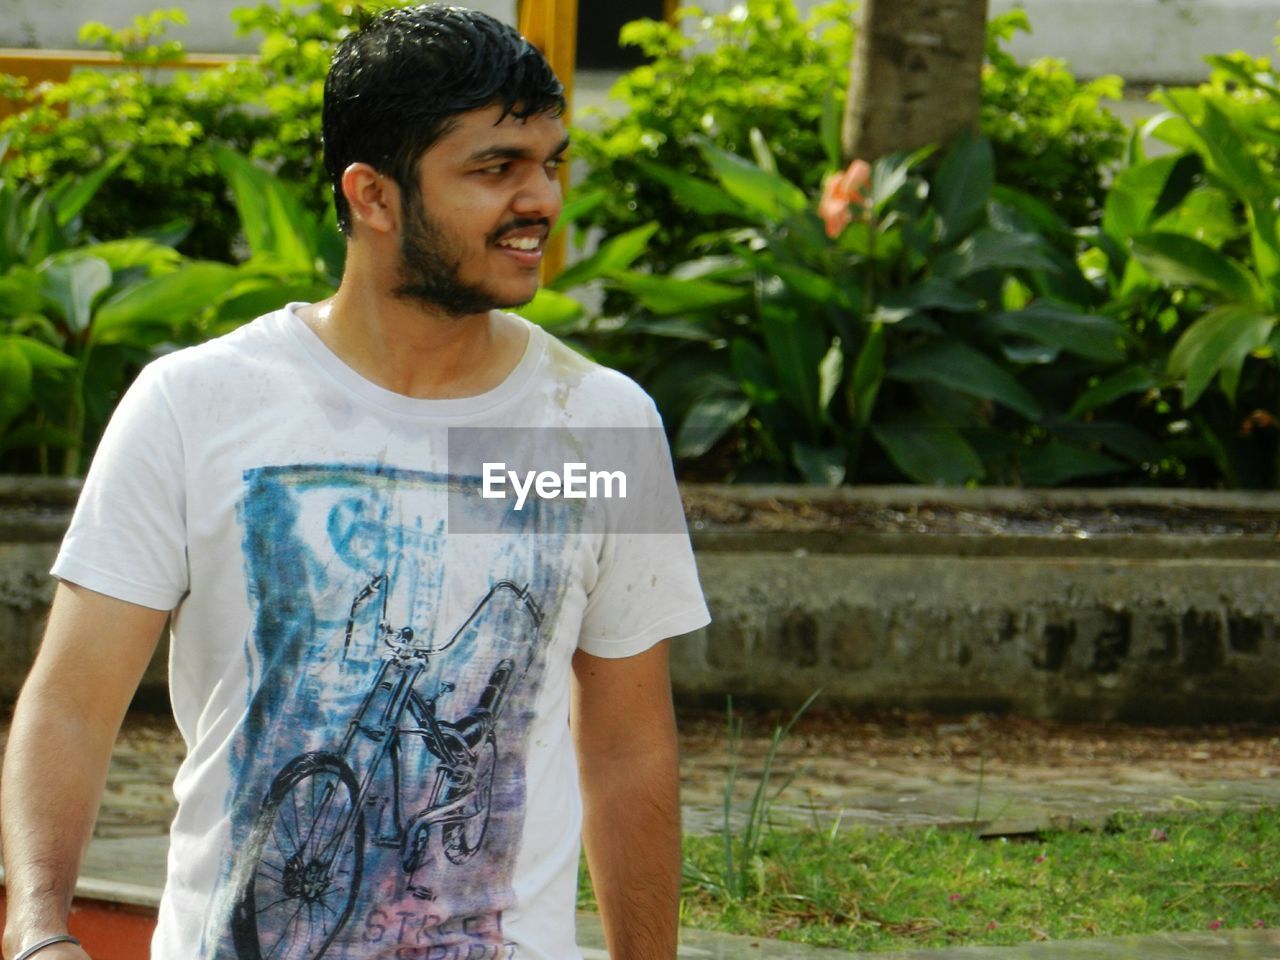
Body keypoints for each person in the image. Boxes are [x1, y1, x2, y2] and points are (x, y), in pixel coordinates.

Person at [0, 6, 709, 960]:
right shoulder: (195, 405)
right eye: (495, 169)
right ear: (373, 197)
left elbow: (628, 749)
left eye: (550, 163)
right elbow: (73, 702)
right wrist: (41, 929)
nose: (540, 199)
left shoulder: (601, 425)